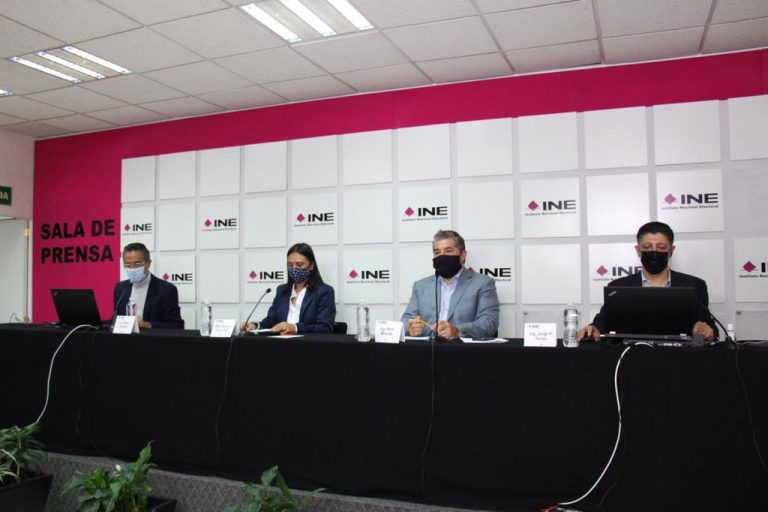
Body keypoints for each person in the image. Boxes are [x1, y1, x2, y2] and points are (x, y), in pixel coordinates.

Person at [580, 221, 716, 341]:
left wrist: (706, 331)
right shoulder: (619, 286)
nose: (654, 252)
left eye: (661, 247)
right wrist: (593, 329)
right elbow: (603, 323)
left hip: (681, 359)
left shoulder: (694, 286)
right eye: (647, 247)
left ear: (672, 250)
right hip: (632, 358)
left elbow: (711, 330)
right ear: (638, 250)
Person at [401, 230, 500, 339]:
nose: (442, 256)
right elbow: (406, 319)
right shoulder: (420, 286)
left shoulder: (483, 283)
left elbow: (490, 322)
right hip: (426, 351)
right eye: (437, 252)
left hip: (462, 351)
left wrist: (457, 331)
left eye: (448, 251)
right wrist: (410, 328)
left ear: (462, 255)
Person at [243, 243, 335, 335]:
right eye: (290, 265)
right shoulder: (281, 291)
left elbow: (325, 327)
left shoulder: (324, 292)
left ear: (311, 266)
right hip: (280, 344)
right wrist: (255, 326)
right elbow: (271, 320)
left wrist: (295, 327)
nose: (294, 268)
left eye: (299, 264)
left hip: (308, 345)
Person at [114, 243, 184, 329]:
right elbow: (116, 319)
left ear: (148, 263)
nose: (132, 268)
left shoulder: (166, 290)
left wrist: (148, 325)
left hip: (152, 340)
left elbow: (177, 325)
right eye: (128, 265)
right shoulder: (120, 288)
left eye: (137, 264)